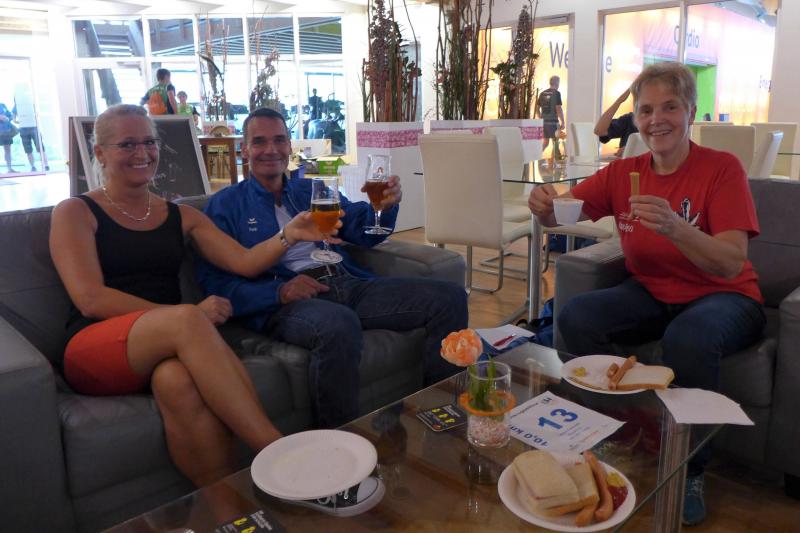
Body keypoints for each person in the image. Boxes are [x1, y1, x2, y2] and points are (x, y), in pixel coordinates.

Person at [49, 104, 338, 488]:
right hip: (94, 345)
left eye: (149, 142)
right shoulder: (76, 211)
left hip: (165, 348)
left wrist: (290, 234)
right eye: (127, 144)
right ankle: (282, 457)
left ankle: (226, 504)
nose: (142, 153)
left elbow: (245, 262)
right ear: (100, 153)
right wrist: (183, 317)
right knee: (187, 319)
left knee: (176, 381)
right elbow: (90, 298)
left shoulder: (180, 215)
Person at [528, 62, 765, 526]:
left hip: (725, 294)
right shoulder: (624, 173)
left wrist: (676, 228)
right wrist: (543, 205)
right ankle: (622, 431)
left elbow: (731, 261)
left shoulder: (722, 169)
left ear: (691, 111)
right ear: (635, 119)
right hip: (653, 290)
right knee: (575, 316)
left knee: (689, 337)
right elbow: (561, 213)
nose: (657, 119)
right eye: (647, 110)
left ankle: (689, 469)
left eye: (670, 107)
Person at [196, 107, 468, 430]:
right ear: (244, 149)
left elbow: (361, 230)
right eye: (259, 142)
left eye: (279, 140)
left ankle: (441, 416)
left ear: (289, 146)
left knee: (449, 297)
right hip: (287, 304)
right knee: (338, 324)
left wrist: (384, 207)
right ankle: (340, 442)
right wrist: (278, 292)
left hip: (344, 282)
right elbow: (216, 283)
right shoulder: (225, 206)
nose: (271, 149)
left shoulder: (309, 190)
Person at [13, 82, 48, 172]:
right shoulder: (25, 103)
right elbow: (14, 119)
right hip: (28, 127)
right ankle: (40, 165)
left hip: (30, 127)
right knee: (32, 148)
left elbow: (14, 119)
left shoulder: (28, 102)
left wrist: (22, 120)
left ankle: (39, 165)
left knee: (36, 148)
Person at [594, 87, 638, 157]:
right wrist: (619, 101)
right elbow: (599, 131)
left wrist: (634, 150)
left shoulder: (656, 122)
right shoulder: (630, 119)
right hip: (626, 163)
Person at [536, 76, 565, 161]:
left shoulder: (542, 93)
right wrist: (563, 122)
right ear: (557, 83)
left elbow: (537, 108)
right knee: (555, 143)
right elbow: (558, 108)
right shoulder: (556, 93)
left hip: (544, 122)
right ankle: (555, 163)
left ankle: (536, 156)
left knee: (545, 142)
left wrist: (540, 118)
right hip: (553, 122)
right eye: (558, 82)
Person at [0, 102, 17, 173]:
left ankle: (9, 169)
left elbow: (10, 116)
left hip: (7, 131)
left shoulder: (2, 105)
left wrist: (7, 118)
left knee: (7, 150)